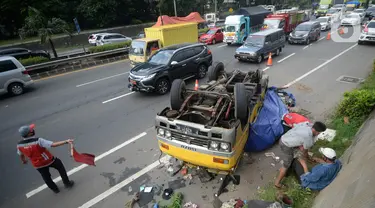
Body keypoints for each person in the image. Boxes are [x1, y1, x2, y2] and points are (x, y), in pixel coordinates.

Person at [17, 124, 75, 193]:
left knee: (46, 177)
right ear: (29, 133)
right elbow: (52, 144)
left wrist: (23, 161)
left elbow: (21, 154)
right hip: (48, 160)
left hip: (37, 164)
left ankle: (55, 189)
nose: (33, 130)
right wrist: (65, 141)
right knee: (60, 166)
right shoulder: (38, 141)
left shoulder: (19, 145)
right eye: (31, 130)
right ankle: (67, 183)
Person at [274, 121, 327, 189]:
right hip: (285, 144)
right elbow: (304, 152)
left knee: (297, 153)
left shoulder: (307, 124)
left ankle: (290, 165)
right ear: (317, 131)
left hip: (284, 137)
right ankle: (277, 183)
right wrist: (307, 158)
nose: (318, 134)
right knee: (286, 164)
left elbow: (295, 126)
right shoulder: (308, 137)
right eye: (319, 133)